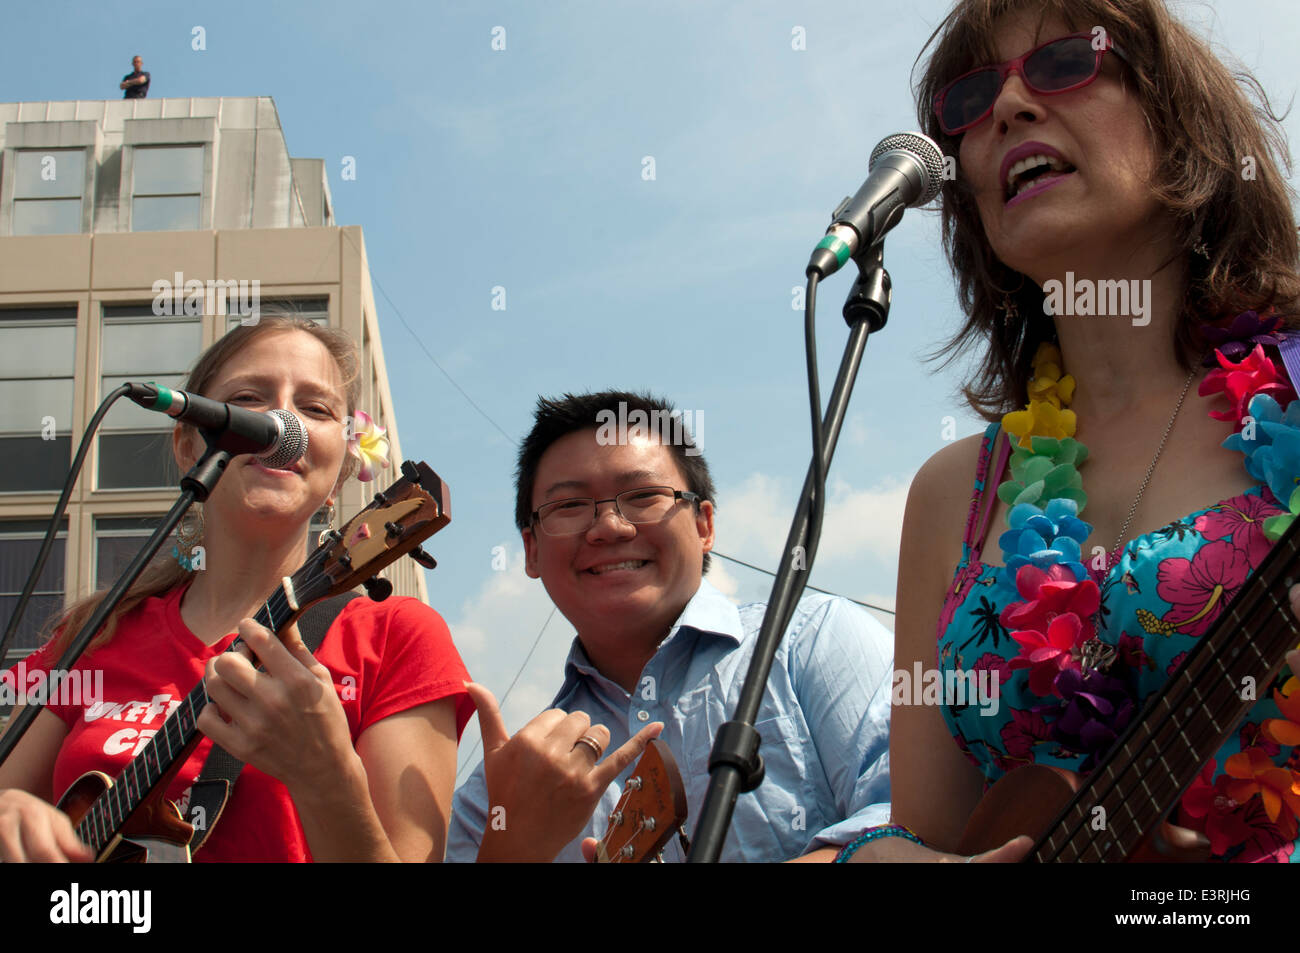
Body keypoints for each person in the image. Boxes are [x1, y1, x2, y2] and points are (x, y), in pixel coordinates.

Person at [844, 0, 1300, 863]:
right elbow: (925, 833)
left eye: (1063, 63)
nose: (1009, 106)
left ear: (1179, 120)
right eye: (972, 99)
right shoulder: (953, 495)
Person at [0, 314, 473, 862]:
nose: (280, 419)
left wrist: (325, 775)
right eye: (249, 397)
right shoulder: (94, 633)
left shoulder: (396, 638)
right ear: (187, 446)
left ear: (341, 471)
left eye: (315, 409)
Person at [446, 391, 893, 862]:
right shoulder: (497, 796)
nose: (609, 527)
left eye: (642, 496)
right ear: (530, 549)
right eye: (570, 506)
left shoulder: (815, 643)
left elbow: (916, 823)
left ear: (704, 526)